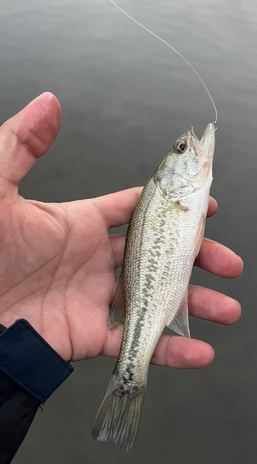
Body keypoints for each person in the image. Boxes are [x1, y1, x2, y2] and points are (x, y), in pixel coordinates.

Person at [0, 93, 243, 463]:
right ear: (168, 178)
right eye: (181, 149)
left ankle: (128, 382)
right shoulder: (174, 197)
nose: (188, 147)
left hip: (154, 294)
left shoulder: (180, 197)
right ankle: (130, 381)